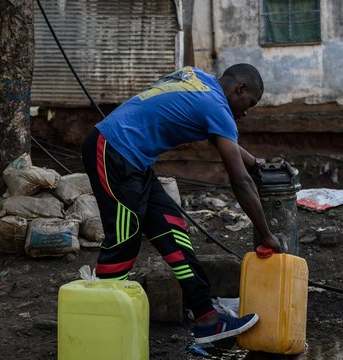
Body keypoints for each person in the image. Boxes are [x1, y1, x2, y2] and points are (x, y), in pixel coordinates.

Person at [80, 64, 286, 344]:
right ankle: (98, 331)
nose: (246, 111)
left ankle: (207, 320)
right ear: (240, 89)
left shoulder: (198, 78)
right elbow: (240, 183)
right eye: (249, 103)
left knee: (173, 234)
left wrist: (254, 163)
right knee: (124, 239)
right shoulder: (217, 108)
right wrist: (267, 234)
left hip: (135, 160)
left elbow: (219, 138)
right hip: (112, 148)